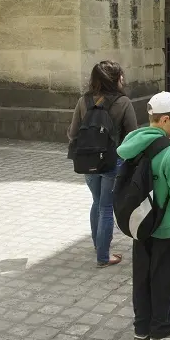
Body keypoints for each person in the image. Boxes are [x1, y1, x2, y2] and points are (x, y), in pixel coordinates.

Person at [117, 92, 170, 340]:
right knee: (163, 277)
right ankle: (162, 330)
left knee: (142, 275)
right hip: (166, 226)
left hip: (139, 223)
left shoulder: (133, 142)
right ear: (164, 120)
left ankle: (141, 328)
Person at [68, 60, 138, 267]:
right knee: (107, 206)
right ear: (114, 78)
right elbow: (132, 136)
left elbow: (72, 133)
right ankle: (103, 256)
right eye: (121, 75)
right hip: (112, 161)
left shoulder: (84, 100)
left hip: (86, 161)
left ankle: (99, 245)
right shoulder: (123, 102)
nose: (123, 79)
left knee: (97, 202)